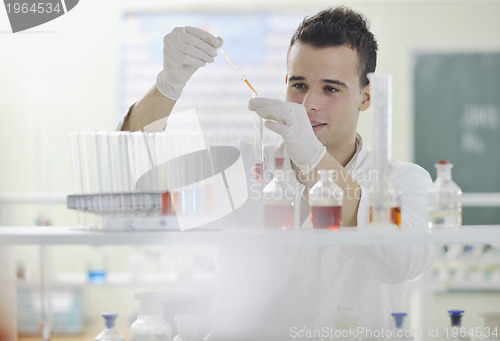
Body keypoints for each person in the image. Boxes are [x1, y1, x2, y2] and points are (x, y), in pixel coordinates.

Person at [120, 6, 435, 339]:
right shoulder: (243, 169)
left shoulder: (402, 180)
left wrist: (314, 159)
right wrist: (168, 85)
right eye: (299, 85)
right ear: (285, 83)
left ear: (365, 97)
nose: (309, 103)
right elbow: (136, 179)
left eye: (331, 88)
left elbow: (403, 262)